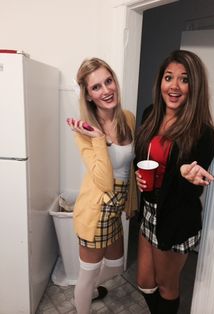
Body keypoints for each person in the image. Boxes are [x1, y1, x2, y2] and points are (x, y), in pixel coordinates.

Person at [135, 50, 214, 314]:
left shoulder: (202, 132)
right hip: (150, 210)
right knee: (145, 282)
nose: (174, 86)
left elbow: (191, 188)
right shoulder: (150, 114)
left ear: (194, 86)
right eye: (168, 77)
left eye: (184, 79)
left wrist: (185, 176)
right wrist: (140, 177)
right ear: (160, 81)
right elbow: (142, 157)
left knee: (166, 285)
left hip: (176, 217)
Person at [67, 57, 137, 314]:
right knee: (87, 275)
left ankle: (90, 290)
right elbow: (105, 181)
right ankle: (85, 299)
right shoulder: (84, 130)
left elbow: (130, 166)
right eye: (96, 87)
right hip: (96, 211)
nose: (106, 90)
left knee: (117, 265)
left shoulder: (127, 118)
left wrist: (131, 202)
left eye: (108, 81)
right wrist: (98, 138)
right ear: (88, 95)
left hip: (115, 209)